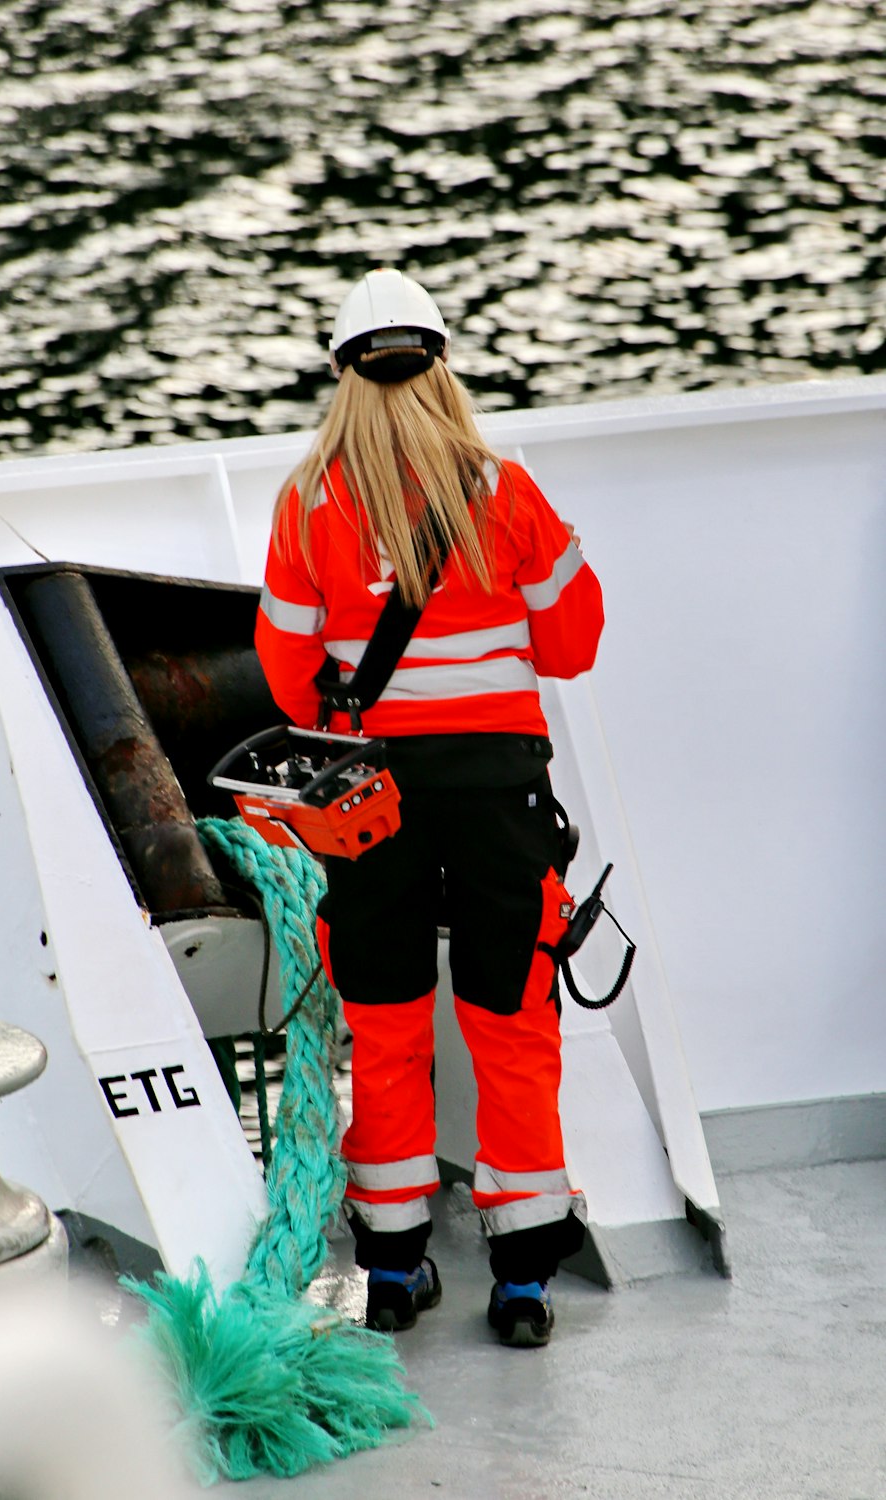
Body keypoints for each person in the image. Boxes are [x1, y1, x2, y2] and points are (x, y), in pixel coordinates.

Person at [254, 268, 604, 1348]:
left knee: (386, 1021)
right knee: (510, 1023)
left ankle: (395, 1268)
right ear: (441, 366)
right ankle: (523, 1281)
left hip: (374, 802)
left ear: (341, 378)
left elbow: (284, 670)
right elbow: (573, 645)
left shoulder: (308, 499)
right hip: (500, 793)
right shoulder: (506, 489)